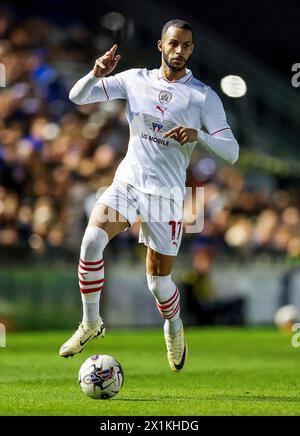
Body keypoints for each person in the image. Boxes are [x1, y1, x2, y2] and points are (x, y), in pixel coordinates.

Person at [59, 19, 239, 371]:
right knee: (92, 242)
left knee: (158, 282)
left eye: (186, 45)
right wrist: (95, 73)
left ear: (191, 49)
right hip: (128, 184)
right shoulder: (134, 79)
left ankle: (173, 326)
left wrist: (198, 135)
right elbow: (77, 97)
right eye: (173, 44)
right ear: (161, 45)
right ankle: (91, 322)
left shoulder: (204, 96)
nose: (179, 51)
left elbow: (231, 151)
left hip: (166, 197)